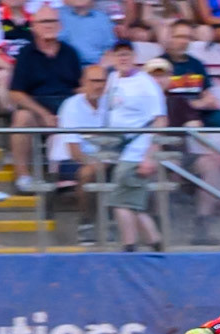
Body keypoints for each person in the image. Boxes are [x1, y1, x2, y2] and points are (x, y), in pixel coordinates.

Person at [9, 5, 82, 192]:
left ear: (60, 25)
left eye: (53, 21)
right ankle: (23, 177)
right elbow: (16, 92)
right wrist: (44, 114)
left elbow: (79, 87)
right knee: (21, 118)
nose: (49, 25)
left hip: (67, 106)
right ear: (34, 26)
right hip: (38, 107)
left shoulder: (70, 53)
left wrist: (69, 113)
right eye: (44, 21)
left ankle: (68, 178)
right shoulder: (26, 54)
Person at [107, 45, 166, 251]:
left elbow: (159, 120)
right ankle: (155, 243)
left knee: (121, 203)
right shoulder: (113, 78)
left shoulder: (146, 84)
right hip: (121, 149)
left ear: (134, 57)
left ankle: (129, 247)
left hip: (137, 150)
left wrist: (150, 156)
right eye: (119, 54)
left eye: (126, 54)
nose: (123, 58)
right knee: (133, 204)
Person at [50, 63, 109, 244]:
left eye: (102, 81)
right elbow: (74, 150)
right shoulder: (72, 106)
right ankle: (87, 222)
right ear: (83, 82)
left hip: (105, 157)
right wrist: (95, 162)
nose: (98, 86)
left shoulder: (111, 104)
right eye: (93, 81)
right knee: (88, 172)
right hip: (71, 159)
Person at [59, 0, 118, 65]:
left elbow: (111, 48)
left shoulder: (103, 19)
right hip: (65, 67)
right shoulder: (56, 16)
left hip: (96, 68)